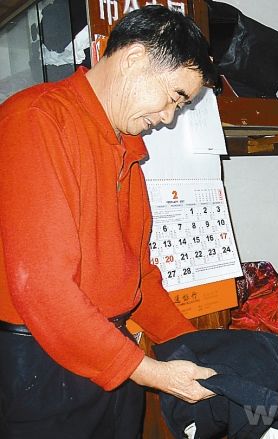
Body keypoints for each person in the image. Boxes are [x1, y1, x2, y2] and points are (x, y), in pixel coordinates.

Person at [0, 6, 219, 438]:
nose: (169, 118)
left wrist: (194, 347)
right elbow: (42, 287)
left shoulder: (127, 151)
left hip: (114, 355)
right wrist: (150, 372)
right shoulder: (36, 119)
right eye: (174, 97)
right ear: (135, 58)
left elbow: (139, 278)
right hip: (41, 367)